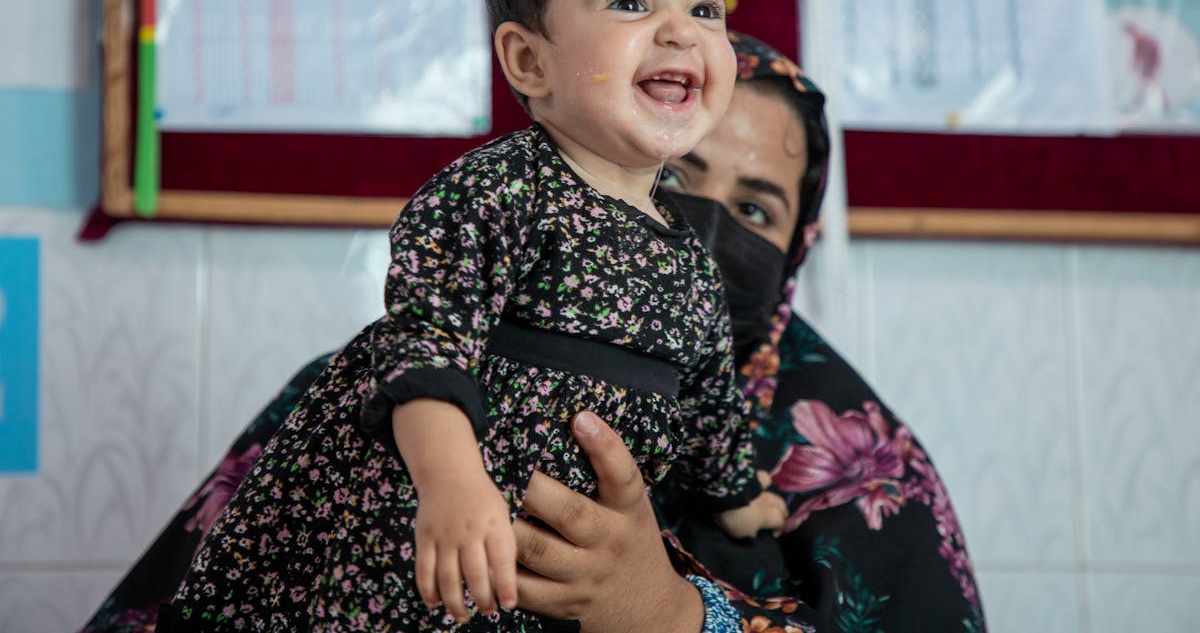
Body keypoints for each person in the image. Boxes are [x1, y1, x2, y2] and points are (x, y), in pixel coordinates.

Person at [81, 37, 986, 633]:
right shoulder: (391, 383)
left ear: (796, 251)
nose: (704, 227)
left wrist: (669, 615)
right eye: (674, 174)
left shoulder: (853, 465)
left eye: (756, 210)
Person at [158, 0, 786, 631]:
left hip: (550, 575)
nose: (680, 30)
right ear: (529, 61)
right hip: (420, 538)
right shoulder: (499, 188)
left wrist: (736, 495)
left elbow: (710, 399)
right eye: (631, 1)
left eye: (705, 7)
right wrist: (451, 484)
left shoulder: (689, 256)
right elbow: (423, 349)